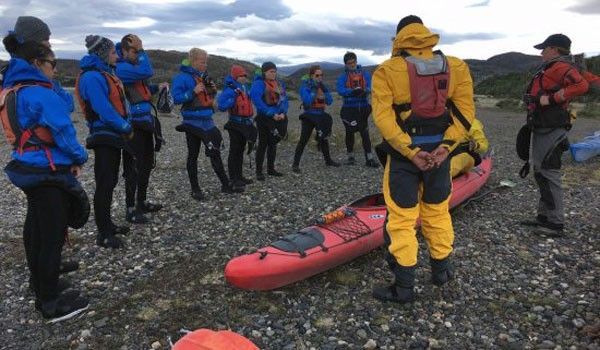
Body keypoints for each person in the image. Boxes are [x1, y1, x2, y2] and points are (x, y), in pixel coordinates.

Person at [371, 15, 475, 303]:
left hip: (405, 159)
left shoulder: (387, 71)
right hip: (440, 159)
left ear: (399, 37)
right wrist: (445, 147)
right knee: (438, 211)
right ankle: (441, 271)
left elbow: (383, 119)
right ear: (426, 35)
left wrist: (411, 152)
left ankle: (404, 287)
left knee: (402, 220)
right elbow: (465, 114)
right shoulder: (456, 66)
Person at [2, 34, 89, 319]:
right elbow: (63, 130)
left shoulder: (13, 89)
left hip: (27, 167)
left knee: (37, 232)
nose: (55, 68)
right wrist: (79, 157)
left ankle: (42, 285)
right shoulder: (39, 93)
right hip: (48, 171)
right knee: (50, 238)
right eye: (52, 63)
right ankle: (50, 303)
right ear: (37, 63)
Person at [519, 34, 589, 237]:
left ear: (555, 49)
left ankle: (556, 223)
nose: (541, 52)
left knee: (548, 171)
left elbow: (581, 86)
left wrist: (551, 99)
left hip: (551, 127)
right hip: (543, 126)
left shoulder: (560, 67)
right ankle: (544, 217)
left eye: (545, 48)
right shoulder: (552, 67)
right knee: (541, 171)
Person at [76, 35, 133, 249]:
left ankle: (108, 224)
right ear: (101, 54)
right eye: (111, 52)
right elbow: (103, 109)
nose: (116, 56)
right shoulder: (92, 77)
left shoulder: (105, 73)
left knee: (110, 182)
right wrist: (125, 126)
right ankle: (104, 233)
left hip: (112, 135)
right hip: (104, 136)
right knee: (104, 184)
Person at [115, 34, 165, 223]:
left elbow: (140, 87)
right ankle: (130, 208)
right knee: (133, 167)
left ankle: (141, 202)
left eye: (139, 50)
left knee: (146, 163)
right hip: (133, 124)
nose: (138, 54)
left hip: (145, 122)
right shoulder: (120, 68)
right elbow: (147, 71)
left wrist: (154, 89)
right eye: (135, 50)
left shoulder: (132, 69)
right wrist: (143, 52)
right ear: (124, 51)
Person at [172, 48, 233, 200]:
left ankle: (225, 185)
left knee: (215, 151)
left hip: (208, 121)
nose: (205, 64)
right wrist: (192, 92)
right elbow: (175, 98)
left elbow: (211, 95)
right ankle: (195, 189)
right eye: (202, 61)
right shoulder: (182, 78)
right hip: (192, 122)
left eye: (206, 61)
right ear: (193, 61)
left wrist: (211, 91)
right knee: (193, 155)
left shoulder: (204, 77)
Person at [292, 65, 340, 172]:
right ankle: (295, 164)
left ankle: (328, 161)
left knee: (324, 138)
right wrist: (314, 91)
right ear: (311, 75)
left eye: (321, 75)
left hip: (321, 115)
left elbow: (330, 101)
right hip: (309, 115)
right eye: (317, 75)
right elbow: (308, 101)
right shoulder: (305, 87)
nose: (320, 77)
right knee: (303, 140)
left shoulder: (322, 87)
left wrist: (325, 91)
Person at [218, 65, 257, 193]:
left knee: (240, 150)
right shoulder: (230, 90)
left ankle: (239, 176)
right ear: (235, 77)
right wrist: (232, 98)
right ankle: (233, 178)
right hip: (235, 124)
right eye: (241, 76)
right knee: (234, 151)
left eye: (245, 75)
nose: (244, 78)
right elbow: (222, 106)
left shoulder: (244, 88)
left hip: (245, 123)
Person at [336, 52, 379, 168]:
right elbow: (340, 89)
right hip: (349, 108)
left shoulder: (365, 74)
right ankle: (350, 156)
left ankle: (369, 158)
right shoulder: (343, 77)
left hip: (362, 107)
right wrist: (352, 92)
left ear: (356, 61)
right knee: (349, 132)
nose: (352, 65)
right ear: (345, 64)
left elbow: (371, 86)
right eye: (349, 63)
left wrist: (365, 90)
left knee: (364, 132)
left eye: (353, 62)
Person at [249, 62, 289, 181]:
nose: (273, 73)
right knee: (263, 144)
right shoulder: (259, 84)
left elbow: (284, 100)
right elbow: (257, 101)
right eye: (271, 71)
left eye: (274, 71)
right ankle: (259, 171)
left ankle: (271, 169)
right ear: (264, 72)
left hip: (278, 116)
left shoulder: (279, 84)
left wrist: (283, 112)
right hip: (264, 118)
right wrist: (271, 113)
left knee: (273, 144)